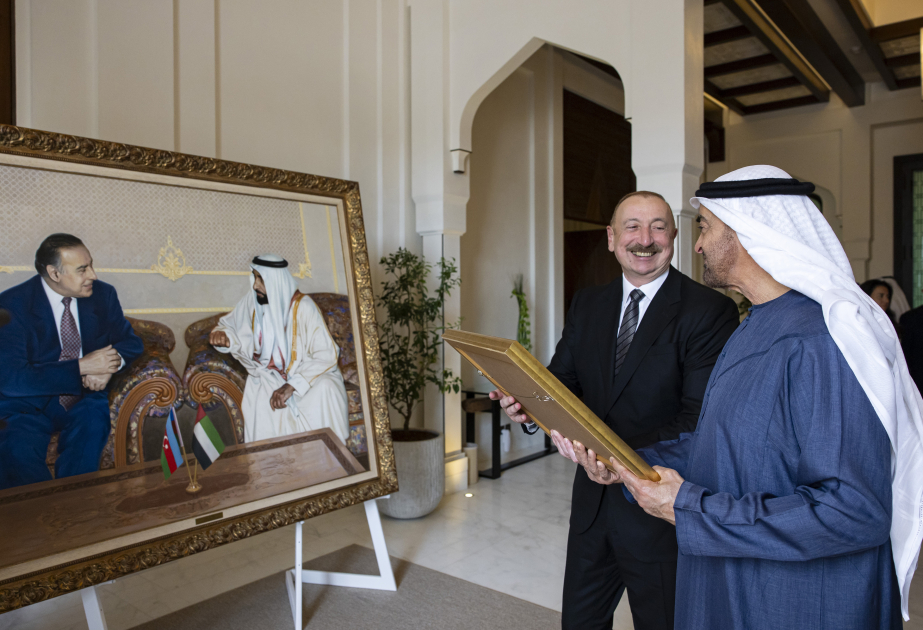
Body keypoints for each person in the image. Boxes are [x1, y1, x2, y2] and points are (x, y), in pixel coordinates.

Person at [604, 165, 919, 628]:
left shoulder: (821, 341)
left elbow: (852, 511)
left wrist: (690, 507)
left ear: (746, 232)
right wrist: (628, 461)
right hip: (739, 585)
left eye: (706, 228)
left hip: (792, 603)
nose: (697, 245)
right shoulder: (756, 324)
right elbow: (726, 443)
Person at [492, 191, 738, 630]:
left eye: (658, 227)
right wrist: (527, 405)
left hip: (656, 511)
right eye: (632, 227)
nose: (644, 239)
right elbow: (562, 384)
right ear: (611, 238)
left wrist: (614, 460)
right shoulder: (588, 302)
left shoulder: (709, 310)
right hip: (591, 506)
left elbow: (697, 419)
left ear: (674, 235)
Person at [0, 234, 143, 490]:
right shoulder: (12, 305)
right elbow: (12, 378)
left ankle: (76, 505)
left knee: (93, 423)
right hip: (27, 403)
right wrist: (83, 366)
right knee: (16, 447)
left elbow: (130, 342)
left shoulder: (103, 295)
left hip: (83, 396)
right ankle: (40, 511)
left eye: (91, 265)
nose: (93, 275)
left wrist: (108, 367)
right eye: (82, 269)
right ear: (54, 273)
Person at [210, 255, 349, 444]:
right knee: (263, 398)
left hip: (306, 376)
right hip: (269, 377)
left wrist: (292, 386)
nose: (255, 285)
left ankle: (327, 454)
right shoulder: (252, 302)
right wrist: (223, 335)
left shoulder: (304, 307)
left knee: (327, 388)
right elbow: (229, 326)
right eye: (255, 277)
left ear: (275, 281)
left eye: (261, 279)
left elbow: (326, 354)